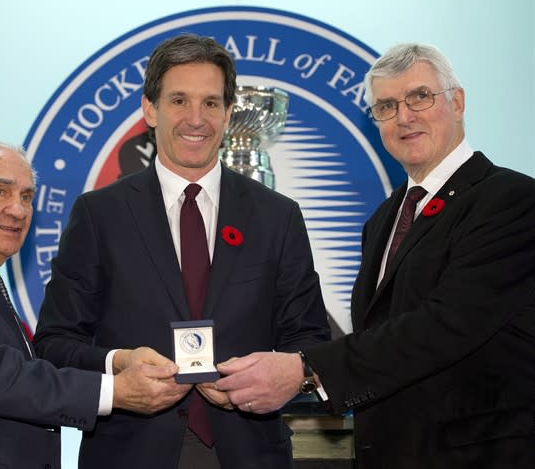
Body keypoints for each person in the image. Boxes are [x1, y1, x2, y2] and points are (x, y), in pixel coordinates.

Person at [215, 42, 535, 468]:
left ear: (456, 102)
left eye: (420, 96)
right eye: (386, 106)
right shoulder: (384, 218)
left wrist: (306, 369)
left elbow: (443, 327)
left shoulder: (512, 201)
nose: (404, 116)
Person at [33, 34, 331, 469]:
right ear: (149, 109)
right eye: (179, 101)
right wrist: (119, 367)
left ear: (229, 113)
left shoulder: (277, 216)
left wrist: (275, 374)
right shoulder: (99, 215)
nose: (196, 119)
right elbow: (54, 344)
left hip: (248, 453)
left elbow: (309, 340)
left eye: (211, 103)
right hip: (129, 454)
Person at [0, 140, 187, 468]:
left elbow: (22, 372)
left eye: (26, 197)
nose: (18, 210)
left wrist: (117, 362)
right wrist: (113, 392)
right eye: (1, 191)